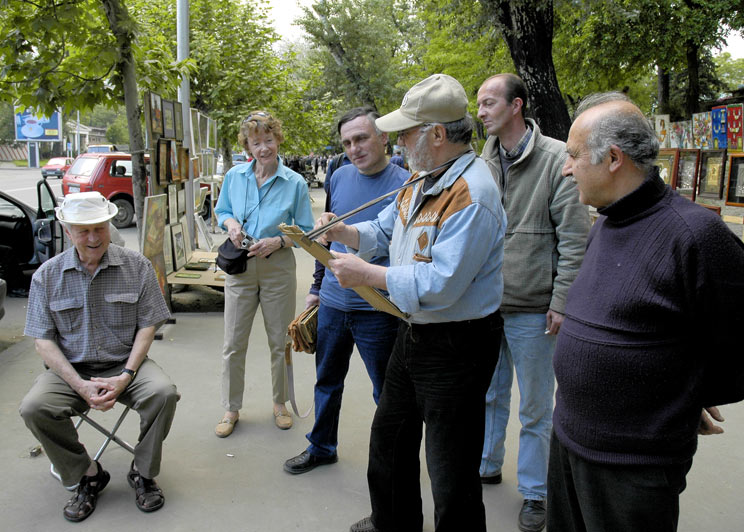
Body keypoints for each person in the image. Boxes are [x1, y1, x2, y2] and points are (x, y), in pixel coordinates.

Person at [318, 74, 507, 532]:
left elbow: (442, 283)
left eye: (405, 131)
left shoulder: (473, 194)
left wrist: (368, 275)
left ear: (437, 135)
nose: (397, 140)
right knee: (391, 438)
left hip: (457, 342)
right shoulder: (423, 178)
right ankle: (393, 521)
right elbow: (384, 231)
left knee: (451, 465)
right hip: (414, 331)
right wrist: (344, 233)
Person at [549, 92, 744, 531]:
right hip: (569, 443)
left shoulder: (695, 235)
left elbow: (735, 339)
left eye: (574, 155)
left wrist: (681, 394)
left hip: (632, 465)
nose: (566, 168)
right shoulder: (606, 222)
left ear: (613, 158)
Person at [476, 73, 590, 532]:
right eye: (479, 103)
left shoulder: (557, 157)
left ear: (516, 105)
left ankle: (536, 492)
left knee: (537, 406)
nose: (481, 111)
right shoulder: (480, 161)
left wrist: (561, 301)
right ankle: (486, 463)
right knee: (489, 394)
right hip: (486, 306)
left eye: (488, 103)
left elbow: (576, 241)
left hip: (535, 309)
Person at [19, 191, 177, 522]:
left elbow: (148, 326)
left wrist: (127, 375)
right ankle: (87, 474)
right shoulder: (47, 276)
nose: (93, 238)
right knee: (34, 408)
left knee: (163, 394)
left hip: (125, 365)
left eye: (99, 228)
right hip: (71, 369)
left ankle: (143, 472)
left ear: (109, 225)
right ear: (67, 231)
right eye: (82, 230)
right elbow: (43, 343)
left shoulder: (137, 266)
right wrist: (78, 385)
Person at [283, 107, 408, 475]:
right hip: (334, 305)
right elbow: (327, 236)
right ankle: (321, 446)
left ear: (383, 137)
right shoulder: (337, 177)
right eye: (347, 142)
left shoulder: (407, 183)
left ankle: (393, 462)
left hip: (379, 308)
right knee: (327, 380)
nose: (354, 148)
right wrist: (317, 288)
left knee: (386, 391)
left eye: (362, 138)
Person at [213, 110, 314, 437]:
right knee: (233, 341)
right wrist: (231, 225)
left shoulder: (295, 183)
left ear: (278, 140)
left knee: (280, 340)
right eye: (256, 142)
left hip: (278, 269)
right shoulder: (234, 177)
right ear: (248, 145)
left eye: (268, 140)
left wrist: (279, 241)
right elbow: (222, 210)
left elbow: (306, 231)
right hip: (240, 268)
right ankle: (231, 408)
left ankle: (280, 403)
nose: (263, 148)